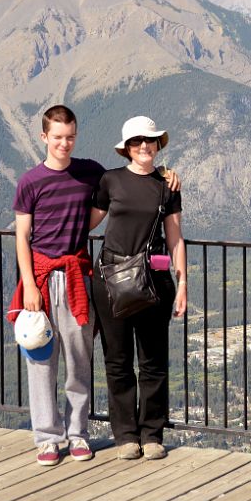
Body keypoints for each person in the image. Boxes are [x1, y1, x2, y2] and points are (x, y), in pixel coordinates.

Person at [8, 105, 177, 467]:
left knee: (79, 359)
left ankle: (78, 434)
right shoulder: (29, 182)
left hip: (78, 276)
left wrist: (165, 174)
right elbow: (21, 236)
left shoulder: (91, 174)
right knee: (40, 359)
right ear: (44, 138)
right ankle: (48, 439)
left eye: (69, 137)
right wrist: (29, 286)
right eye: (57, 137)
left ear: (75, 135)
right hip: (39, 277)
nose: (63, 144)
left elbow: (135, 178)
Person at [89, 115, 188, 460]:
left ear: (158, 144)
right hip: (111, 278)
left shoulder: (167, 185)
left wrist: (183, 282)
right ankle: (126, 436)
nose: (143, 146)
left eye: (149, 140)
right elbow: (88, 221)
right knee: (117, 360)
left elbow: (175, 236)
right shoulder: (109, 181)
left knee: (153, 361)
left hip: (153, 281)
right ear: (127, 148)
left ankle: (152, 435)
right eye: (136, 142)